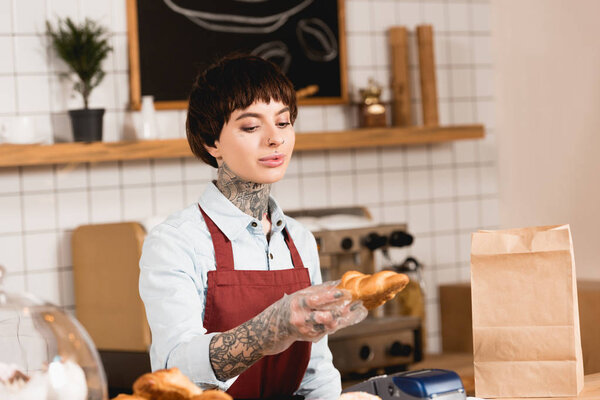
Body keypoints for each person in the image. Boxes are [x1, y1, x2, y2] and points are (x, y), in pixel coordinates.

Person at [139, 54, 368, 400]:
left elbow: (315, 368)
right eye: (251, 126)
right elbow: (176, 369)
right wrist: (268, 329)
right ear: (210, 141)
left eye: (284, 122)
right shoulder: (175, 242)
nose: (274, 139)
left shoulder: (298, 240)